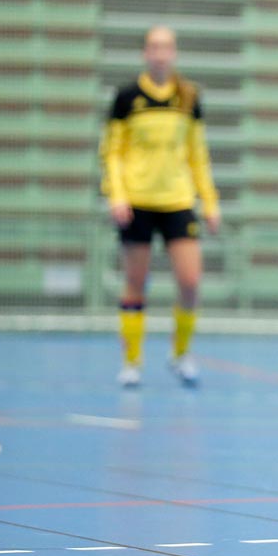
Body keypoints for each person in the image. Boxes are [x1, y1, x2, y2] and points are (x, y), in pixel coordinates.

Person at [99, 26, 221, 388]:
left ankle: (181, 354)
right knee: (135, 282)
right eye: (154, 46)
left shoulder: (188, 97)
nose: (160, 53)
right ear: (145, 52)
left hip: (178, 202)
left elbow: (198, 155)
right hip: (136, 202)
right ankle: (132, 362)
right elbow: (112, 153)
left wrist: (210, 201)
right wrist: (116, 194)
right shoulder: (126, 97)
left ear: (174, 53)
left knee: (191, 281)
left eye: (166, 47)